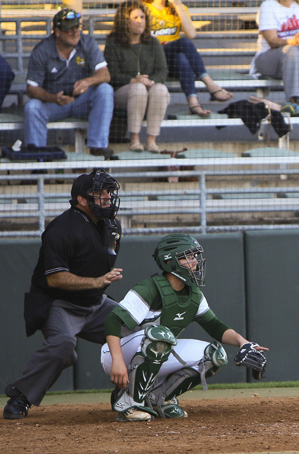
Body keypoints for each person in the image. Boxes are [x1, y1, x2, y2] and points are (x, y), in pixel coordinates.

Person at [101, 234, 269, 422]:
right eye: (188, 257)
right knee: (161, 336)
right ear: (169, 260)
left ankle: (160, 398)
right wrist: (117, 361)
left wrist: (244, 343)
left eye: (195, 256)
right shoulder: (149, 288)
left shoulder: (194, 294)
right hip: (117, 353)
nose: (195, 261)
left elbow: (214, 326)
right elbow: (113, 322)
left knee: (214, 355)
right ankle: (129, 402)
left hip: (154, 349)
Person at [3, 170, 122, 420]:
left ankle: (128, 393)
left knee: (140, 329)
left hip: (96, 302)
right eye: (100, 193)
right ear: (81, 199)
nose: (107, 198)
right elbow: (54, 278)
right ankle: (21, 396)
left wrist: (98, 285)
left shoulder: (112, 225)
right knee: (63, 347)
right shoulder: (62, 229)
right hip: (60, 303)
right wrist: (97, 281)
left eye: (109, 192)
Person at [23, 8, 114, 159]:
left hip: (82, 101)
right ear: (57, 32)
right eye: (69, 29)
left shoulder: (87, 42)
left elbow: (105, 74)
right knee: (32, 107)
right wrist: (54, 98)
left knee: (105, 90)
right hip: (54, 103)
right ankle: (37, 161)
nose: (75, 32)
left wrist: (87, 81)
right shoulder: (42, 50)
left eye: (77, 27)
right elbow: (31, 89)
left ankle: (98, 146)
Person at [144, 0, 233, 117]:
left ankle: (193, 103)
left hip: (171, 61)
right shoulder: (143, 8)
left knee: (181, 58)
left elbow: (191, 34)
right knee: (183, 42)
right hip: (152, 58)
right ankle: (210, 84)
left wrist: (178, 5)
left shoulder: (176, 8)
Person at [104, 0, 170, 153]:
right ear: (124, 21)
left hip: (149, 88)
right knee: (138, 88)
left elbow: (162, 70)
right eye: (135, 18)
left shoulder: (153, 42)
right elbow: (111, 74)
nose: (140, 21)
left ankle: (151, 141)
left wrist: (150, 81)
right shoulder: (113, 43)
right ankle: (134, 139)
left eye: (143, 17)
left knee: (160, 89)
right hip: (123, 92)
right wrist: (134, 80)